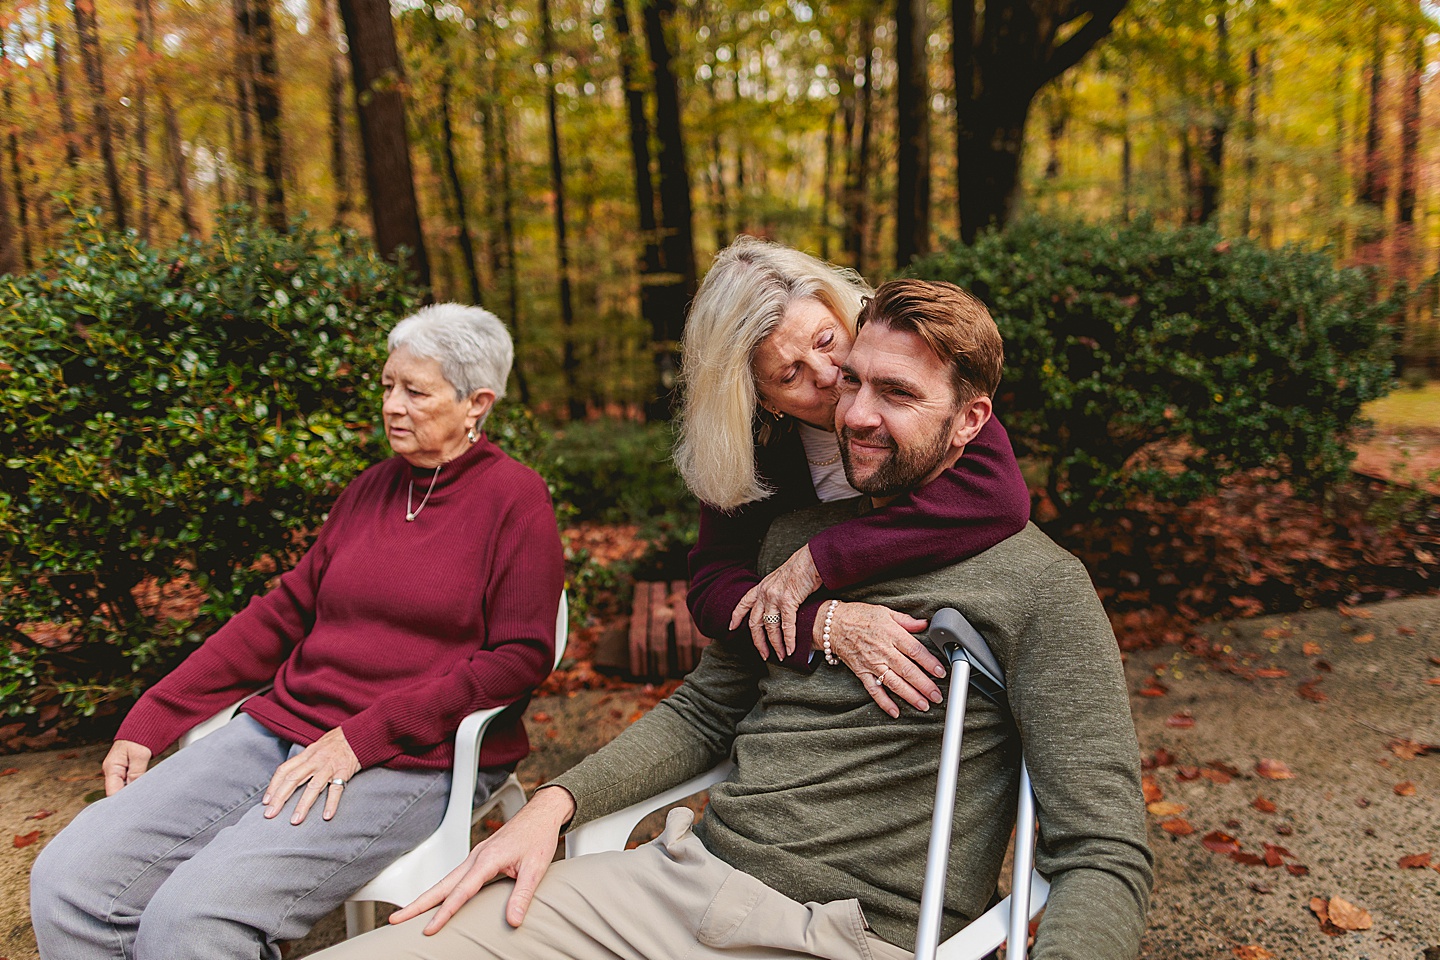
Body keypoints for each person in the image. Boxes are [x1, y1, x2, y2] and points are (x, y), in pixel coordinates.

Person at [308, 279, 1153, 960]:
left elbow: (1101, 853)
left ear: (971, 420)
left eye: (896, 393)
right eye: (851, 381)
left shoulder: (1040, 586)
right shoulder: (788, 535)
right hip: (673, 881)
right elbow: (706, 708)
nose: (856, 413)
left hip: (841, 932)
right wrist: (555, 804)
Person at [29, 304, 566, 960]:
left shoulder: (515, 499)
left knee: (193, 919)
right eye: (387, 386)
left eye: (415, 392)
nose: (391, 406)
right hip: (281, 729)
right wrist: (154, 715)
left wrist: (365, 736)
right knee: (68, 881)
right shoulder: (370, 490)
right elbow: (282, 613)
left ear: (476, 403)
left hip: (412, 757)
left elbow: (519, 657)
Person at [676, 237, 1031, 717]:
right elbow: (713, 587)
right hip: (805, 690)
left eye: (826, 341)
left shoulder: (915, 384)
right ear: (760, 399)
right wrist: (823, 623)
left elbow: (998, 496)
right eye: (789, 375)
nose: (826, 374)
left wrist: (815, 561)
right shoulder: (754, 446)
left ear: (842, 313)